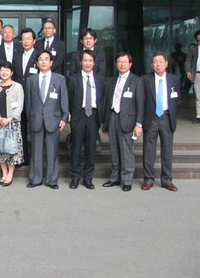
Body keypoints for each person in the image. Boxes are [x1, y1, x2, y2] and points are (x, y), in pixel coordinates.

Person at [101, 52, 144, 192]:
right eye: (119, 61)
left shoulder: (136, 80)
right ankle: (115, 178)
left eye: (125, 62)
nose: (122, 64)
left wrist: (139, 124)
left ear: (130, 64)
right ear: (116, 64)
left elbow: (140, 104)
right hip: (113, 117)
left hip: (128, 120)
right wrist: (105, 122)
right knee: (114, 150)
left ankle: (127, 180)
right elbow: (106, 102)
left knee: (126, 151)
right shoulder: (111, 80)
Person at [26, 50, 68, 189]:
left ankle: (51, 180)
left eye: (46, 59)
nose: (43, 61)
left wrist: (64, 117)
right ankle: (35, 179)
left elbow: (64, 99)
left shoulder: (60, 79)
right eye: (40, 59)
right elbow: (28, 103)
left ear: (51, 62)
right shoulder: (31, 80)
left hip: (53, 120)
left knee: (52, 151)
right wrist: (30, 118)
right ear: (37, 63)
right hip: (36, 119)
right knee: (36, 152)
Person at [141, 53, 180, 192]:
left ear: (166, 63)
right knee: (148, 149)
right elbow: (142, 100)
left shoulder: (174, 79)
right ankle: (148, 179)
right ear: (151, 65)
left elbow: (176, 99)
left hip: (167, 117)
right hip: (151, 118)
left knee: (167, 150)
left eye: (161, 61)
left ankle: (167, 180)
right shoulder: (145, 79)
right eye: (155, 62)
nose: (158, 64)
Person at [67, 50, 105, 189]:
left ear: (94, 63)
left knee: (91, 148)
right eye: (85, 60)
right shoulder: (73, 79)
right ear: (80, 62)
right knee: (76, 148)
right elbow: (70, 99)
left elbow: (102, 99)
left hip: (93, 115)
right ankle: (75, 178)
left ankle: (88, 178)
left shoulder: (100, 80)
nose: (87, 63)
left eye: (90, 61)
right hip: (79, 115)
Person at [0, 62, 24, 186]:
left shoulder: (18, 87)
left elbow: (19, 106)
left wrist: (9, 119)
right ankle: (4, 174)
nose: (4, 72)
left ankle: (10, 174)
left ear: (12, 72)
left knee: (11, 149)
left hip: (12, 124)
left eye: (7, 70)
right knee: (0, 150)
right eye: (2, 70)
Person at [12, 28, 39, 161]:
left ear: (34, 41)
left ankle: (35, 159)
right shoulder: (17, 56)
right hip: (19, 98)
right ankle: (23, 157)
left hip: (34, 98)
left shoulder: (39, 56)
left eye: (29, 39)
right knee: (20, 128)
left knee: (34, 128)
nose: (26, 41)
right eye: (24, 39)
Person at [185, 29, 200, 123]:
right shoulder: (193, 48)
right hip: (197, 74)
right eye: (198, 40)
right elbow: (188, 60)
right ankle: (199, 115)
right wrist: (188, 71)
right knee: (198, 96)